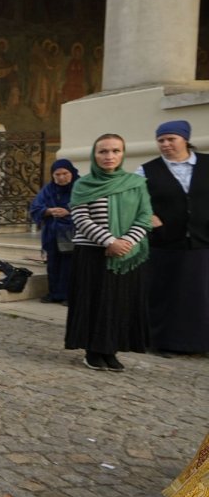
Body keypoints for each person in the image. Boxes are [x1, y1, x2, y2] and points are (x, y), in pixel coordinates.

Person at [65, 134, 152, 371]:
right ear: (95, 154)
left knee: (119, 304)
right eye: (103, 151)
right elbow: (80, 218)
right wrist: (109, 241)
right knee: (94, 302)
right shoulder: (83, 184)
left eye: (115, 151)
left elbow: (145, 217)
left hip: (127, 254)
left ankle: (110, 350)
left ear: (123, 154)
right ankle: (93, 351)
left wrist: (126, 241)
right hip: (93, 253)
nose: (109, 156)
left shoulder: (136, 183)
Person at [136, 120, 209, 356]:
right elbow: (135, 200)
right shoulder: (146, 170)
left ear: (185, 139)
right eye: (161, 140)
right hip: (165, 243)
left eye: (171, 139)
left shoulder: (207, 164)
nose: (166, 144)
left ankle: (202, 343)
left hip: (202, 241)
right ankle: (165, 342)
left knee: (201, 295)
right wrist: (149, 217)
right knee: (166, 295)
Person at [29, 159, 80, 304]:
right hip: (52, 234)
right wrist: (49, 211)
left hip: (72, 233)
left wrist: (69, 211)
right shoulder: (48, 189)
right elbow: (35, 207)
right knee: (53, 265)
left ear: (72, 172)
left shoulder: (80, 187)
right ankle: (54, 294)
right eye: (57, 174)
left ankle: (69, 295)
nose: (62, 178)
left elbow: (88, 207)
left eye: (65, 173)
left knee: (69, 266)